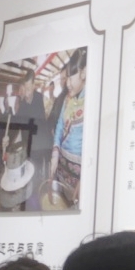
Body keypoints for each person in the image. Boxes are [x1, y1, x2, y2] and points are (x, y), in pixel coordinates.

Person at [48, 53, 87, 209]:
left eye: (71, 78)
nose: (67, 84)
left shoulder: (92, 102)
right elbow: (59, 126)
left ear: (83, 73)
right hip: (62, 167)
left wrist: (84, 179)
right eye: (66, 79)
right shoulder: (67, 99)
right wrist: (55, 155)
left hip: (78, 175)